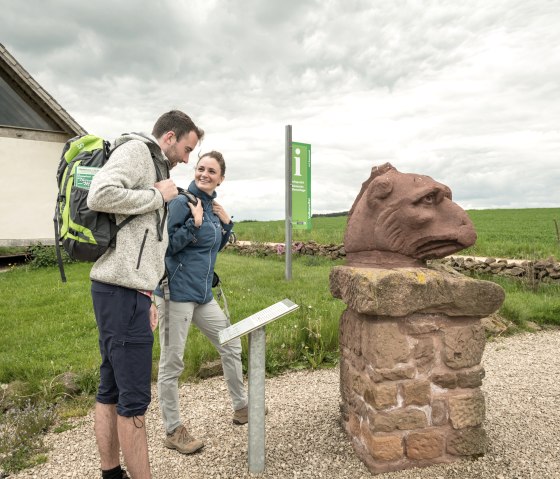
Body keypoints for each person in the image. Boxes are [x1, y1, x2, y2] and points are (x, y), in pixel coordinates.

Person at [87, 110, 204, 479]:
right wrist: (156, 195)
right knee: (134, 402)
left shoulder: (157, 165)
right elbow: (99, 194)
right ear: (169, 137)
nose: (188, 159)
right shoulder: (138, 152)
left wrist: (150, 294)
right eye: (187, 149)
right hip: (121, 292)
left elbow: (146, 242)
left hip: (127, 292)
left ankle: (112, 474)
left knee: (110, 392)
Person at [154, 150, 248, 455]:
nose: (204, 174)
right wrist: (194, 223)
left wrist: (227, 224)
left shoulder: (210, 206)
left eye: (211, 171)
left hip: (203, 294)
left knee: (231, 344)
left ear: (221, 177)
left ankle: (242, 407)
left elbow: (211, 248)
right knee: (173, 362)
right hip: (176, 293)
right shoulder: (183, 203)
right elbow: (167, 247)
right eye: (201, 168)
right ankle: (173, 430)